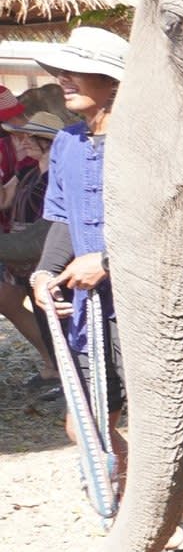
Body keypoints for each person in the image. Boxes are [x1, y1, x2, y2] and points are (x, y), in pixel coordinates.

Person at [28, 27, 183, 552]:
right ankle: (146, 529)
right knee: (85, 426)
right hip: (91, 311)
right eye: (60, 71)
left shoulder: (153, 142)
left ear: (113, 82)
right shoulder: (67, 143)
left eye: (75, 71)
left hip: (157, 306)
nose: (62, 80)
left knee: (179, 429)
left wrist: (108, 261)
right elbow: (62, 218)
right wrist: (45, 271)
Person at [2, 105, 60, 392]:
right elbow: (6, 202)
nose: (23, 142)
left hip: (45, 258)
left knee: (57, 319)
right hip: (24, 262)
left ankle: (69, 377)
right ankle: (59, 371)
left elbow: (45, 231)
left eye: (30, 137)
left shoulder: (56, 180)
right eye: (21, 136)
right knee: (44, 318)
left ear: (47, 142)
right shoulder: (28, 174)